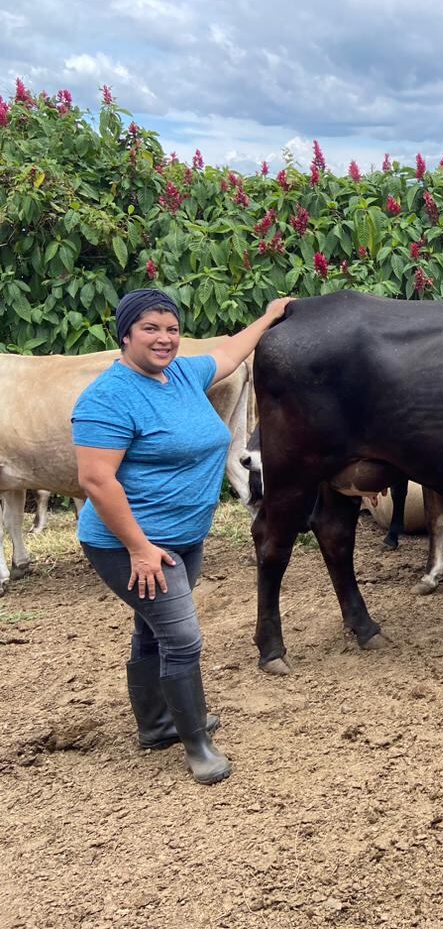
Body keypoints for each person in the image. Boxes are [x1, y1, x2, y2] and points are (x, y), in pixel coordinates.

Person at [73, 288, 291, 785]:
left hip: (182, 537)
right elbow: (95, 481)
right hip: (129, 543)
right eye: (150, 328)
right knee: (182, 638)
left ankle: (155, 725)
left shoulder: (181, 375)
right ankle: (196, 743)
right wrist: (140, 548)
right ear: (125, 334)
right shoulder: (107, 398)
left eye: (171, 329)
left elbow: (229, 352)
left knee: (152, 630)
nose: (164, 338)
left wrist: (269, 317)